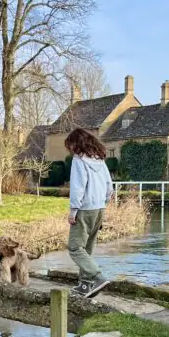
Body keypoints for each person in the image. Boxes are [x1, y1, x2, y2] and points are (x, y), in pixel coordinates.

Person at [65, 127, 114, 298]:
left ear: (76, 144)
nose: (69, 150)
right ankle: (85, 286)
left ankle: (97, 277)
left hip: (85, 209)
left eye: (70, 146)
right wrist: (103, 204)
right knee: (87, 248)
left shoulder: (79, 161)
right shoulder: (100, 160)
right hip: (99, 208)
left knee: (74, 247)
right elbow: (109, 187)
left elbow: (78, 188)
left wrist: (73, 212)